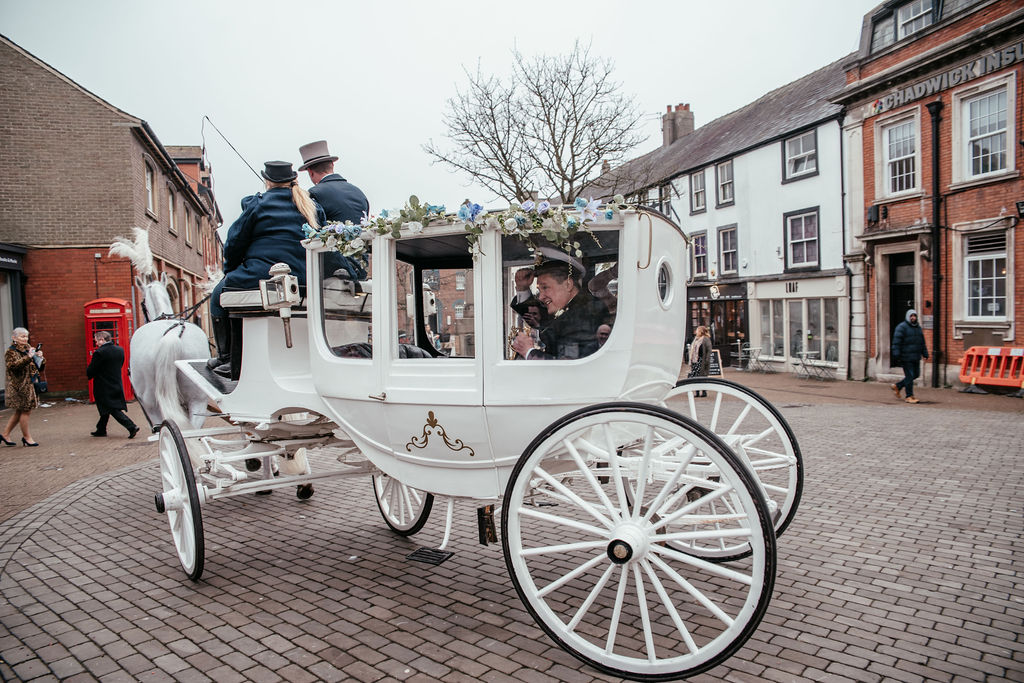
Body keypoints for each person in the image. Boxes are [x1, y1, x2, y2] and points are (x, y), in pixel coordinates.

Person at [208, 161, 326, 378]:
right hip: (304, 277)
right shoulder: (311, 207)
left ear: (267, 181)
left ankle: (227, 358)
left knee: (217, 296)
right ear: (294, 180)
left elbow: (234, 243)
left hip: (261, 275)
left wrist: (231, 271)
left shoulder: (257, 205)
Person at [511, 250, 609, 360]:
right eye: (540, 289)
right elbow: (541, 318)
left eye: (545, 287)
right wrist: (522, 288)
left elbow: (570, 366)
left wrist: (529, 352)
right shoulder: (575, 306)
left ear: (568, 284)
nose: (540, 297)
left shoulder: (587, 313)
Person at [298, 140, 370, 283]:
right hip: (360, 267)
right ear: (332, 165)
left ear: (310, 172)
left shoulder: (314, 194)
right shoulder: (359, 193)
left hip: (334, 269)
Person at [86, 331, 139, 438]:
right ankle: (101, 429)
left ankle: (131, 426)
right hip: (116, 382)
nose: (96, 343)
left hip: (103, 385)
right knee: (105, 407)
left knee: (112, 408)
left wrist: (89, 374)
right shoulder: (119, 350)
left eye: (96, 340)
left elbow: (91, 370)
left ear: (102, 340)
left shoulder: (99, 353)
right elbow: (121, 364)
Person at [2, 328, 43, 446]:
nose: (25, 339)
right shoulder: (10, 352)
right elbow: (13, 366)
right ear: (14, 338)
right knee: (26, 411)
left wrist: (39, 357)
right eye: (22, 336)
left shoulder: (28, 348)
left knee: (19, 412)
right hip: (18, 386)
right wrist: (28, 357)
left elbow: (37, 367)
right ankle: (26, 437)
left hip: (28, 384)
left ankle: (5, 434)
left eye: (26, 336)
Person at [891, 308, 929, 404]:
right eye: (911, 316)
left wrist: (925, 354)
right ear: (908, 317)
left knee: (916, 374)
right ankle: (909, 396)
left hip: (915, 356)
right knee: (909, 376)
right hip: (906, 356)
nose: (913, 318)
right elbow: (896, 342)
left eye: (914, 316)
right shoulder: (901, 327)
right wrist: (896, 354)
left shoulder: (918, 328)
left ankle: (898, 386)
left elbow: (922, 343)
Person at [687, 325, 713, 397]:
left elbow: (709, 350)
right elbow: (692, 350)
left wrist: (707, 360)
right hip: (695, 360)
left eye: (697, 330)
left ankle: (704, 392)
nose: (696, 331)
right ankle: (697, 392)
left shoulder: (706, 339)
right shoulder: (695, 339)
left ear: (701, 331)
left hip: (702, 361)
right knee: (695, 377)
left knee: (703, 377)